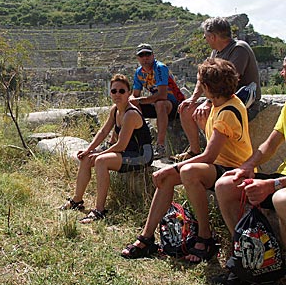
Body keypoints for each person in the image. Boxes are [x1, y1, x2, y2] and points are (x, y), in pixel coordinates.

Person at [121, 58, 253, 263]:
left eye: (200, 83)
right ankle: (146, 238)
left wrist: (171, 167)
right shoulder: (220, 103)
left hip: (233, 168)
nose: (198, 87)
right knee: (169, 178)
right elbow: (216, 147)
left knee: (187, 171)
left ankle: (205, 237)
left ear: (208, 87)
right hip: (220, 164)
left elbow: (209, 156)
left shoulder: (227, 111)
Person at [214, 56, 286, 284]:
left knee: (282, 200)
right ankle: (250, 260)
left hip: (282, 187)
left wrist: (272, 185)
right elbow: (269, 145)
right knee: (226, 185)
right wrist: (246, 167)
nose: (282, 73)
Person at [59, 74, 153, 223]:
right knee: (86, 158)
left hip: (141, 154)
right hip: (125, 151)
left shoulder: (131, 114)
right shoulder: (115, 110)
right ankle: (77, 200)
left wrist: (99, 154)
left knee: (101, 160)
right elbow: (103, 132)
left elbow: (121, 144)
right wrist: (89, 150)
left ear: (129, 93)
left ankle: (99, 210)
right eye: (114, 91)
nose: (117, 94)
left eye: (122, 91)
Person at [172, 17, 260, 162]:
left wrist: (207, 102)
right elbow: (204, 78)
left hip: (238, 101)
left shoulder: (239, 49)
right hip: (219, 98)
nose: (205, 39)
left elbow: (227, 80)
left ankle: (212, 155)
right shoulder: (216, 53)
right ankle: (195, 151)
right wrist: (193, 99)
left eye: (206, 36)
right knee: (186, 109)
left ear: (213, 36)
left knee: (204, 112)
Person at [130, 43, 185, 159]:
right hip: (157, 103)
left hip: (174, 104)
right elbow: (135, 95)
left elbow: (162, 95)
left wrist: (139, 100)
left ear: (153, 55)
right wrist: (131, 101)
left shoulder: (160, 68)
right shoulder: (139, 73)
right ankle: (138, 143)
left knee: (160, 104)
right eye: (142, 55)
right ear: (138, 58)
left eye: (148, 54)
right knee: (131, 108)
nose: (145, 58)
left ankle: (160, 146)